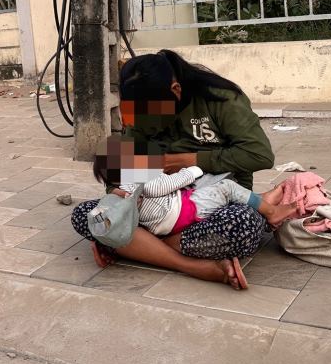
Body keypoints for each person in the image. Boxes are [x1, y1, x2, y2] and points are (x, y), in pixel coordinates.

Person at [71, 49, 275, 289]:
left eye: (152, 114)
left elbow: (259, 155)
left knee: (243, 224)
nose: (144, 122)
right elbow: (121, 167)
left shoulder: (220, 99)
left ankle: (136, 247)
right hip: (155, 208)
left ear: (175, 90)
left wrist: (190, 161)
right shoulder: (140, 112)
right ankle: (191, 264)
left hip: (212, 204)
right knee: (85, 215)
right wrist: (118, 194)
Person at [91, 134, 298, 288]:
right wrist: (194, 169)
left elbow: (258, 155)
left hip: (156, 226)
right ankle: (268, 210)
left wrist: (108, 236)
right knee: (227, 190)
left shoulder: (124, 182)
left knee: (229, 206)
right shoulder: (141, 177)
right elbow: (164, 184)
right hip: (183, 211)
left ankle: (143, 249)